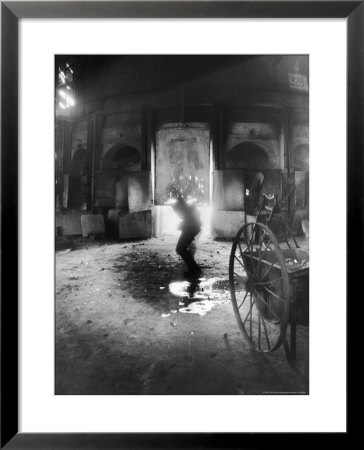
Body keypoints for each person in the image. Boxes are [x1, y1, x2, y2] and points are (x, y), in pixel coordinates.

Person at [172, 196, 202, 277]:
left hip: (191, 229)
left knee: (180, 248)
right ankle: (194, 268)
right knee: (182, 248)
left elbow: (190, 221)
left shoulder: (186, 209)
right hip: (192, 229)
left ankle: (195, 269)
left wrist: (182, 225)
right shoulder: (188, 208)